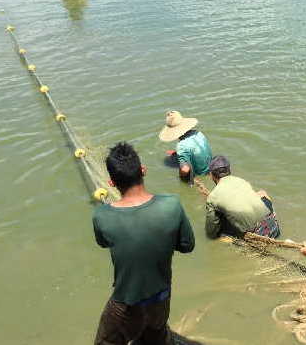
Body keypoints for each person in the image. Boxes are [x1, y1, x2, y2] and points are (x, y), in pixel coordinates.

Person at [92, 142, 195, 345]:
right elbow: (187, 246)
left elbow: (103, 243)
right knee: (156, 337)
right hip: (162, 297)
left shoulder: (102, 215)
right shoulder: (172, 205)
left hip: (126, 303)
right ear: (143, 170)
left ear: (111, 183)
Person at [203, 156, 281, 239]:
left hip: (258, 235)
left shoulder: (213, 197)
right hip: (273, 226)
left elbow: (211, 232)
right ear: (229, 170)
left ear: (211, 175)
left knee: (218, 221)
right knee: (261, 193)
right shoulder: (241, 181)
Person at [159, 110, 212, 184]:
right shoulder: (198, 133)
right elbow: (193, 147)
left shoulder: (181, 146)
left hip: (199, 175)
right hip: (210, 169)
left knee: (176, 162)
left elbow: (185, 170)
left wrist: (179, 179)